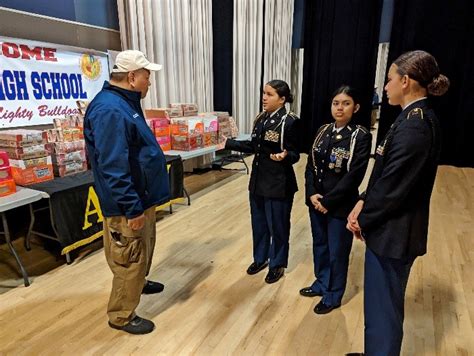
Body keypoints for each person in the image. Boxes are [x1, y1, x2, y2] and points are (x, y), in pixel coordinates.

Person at [347, 50, 449, 355]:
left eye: (389, 79)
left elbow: (392, 189)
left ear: (405, 81)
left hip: (394, 234)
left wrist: (362, 219)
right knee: (380, 306)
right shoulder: (410, 118)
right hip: (392, 230)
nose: (386, 86)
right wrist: (363, 199)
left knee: (384, 310)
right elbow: (384, 174)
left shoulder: (415, 126)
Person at [84, 50, 170, 335]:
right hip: (127, 204)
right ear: (132, 77)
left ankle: (139, 284)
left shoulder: (124, 102)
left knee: (142, 248)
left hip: (141, 197)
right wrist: (131, 207)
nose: (150, 82)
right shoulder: (110, 109)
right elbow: (113, 166)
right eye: (147, 76)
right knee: (129, 256)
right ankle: (121, 315)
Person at [301, 85, 371, 314]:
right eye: (336, 103)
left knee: (337, 251)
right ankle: (321, 282)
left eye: (346, 103)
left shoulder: (360, 135)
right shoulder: (323, 130)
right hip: (316, 201)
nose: (340, 108)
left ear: (356, 107)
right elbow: (310, 165)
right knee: (320, 246)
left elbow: (355, 176)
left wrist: (328, 202)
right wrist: (312, 193)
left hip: (339, 205)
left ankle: (333, 294)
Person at [221, 80, 300, 284]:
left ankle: (277, 263)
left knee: (278, 226)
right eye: (263, 93)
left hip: (278, 182)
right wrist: (228, 143)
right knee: (259, 224)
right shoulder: (261, 119)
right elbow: (254, 146)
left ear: (282, 99)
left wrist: (285, 156)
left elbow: (295, 153)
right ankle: (260, 258)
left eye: (269, 94)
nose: (264, 97)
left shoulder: (289, 121)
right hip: (258, 181)